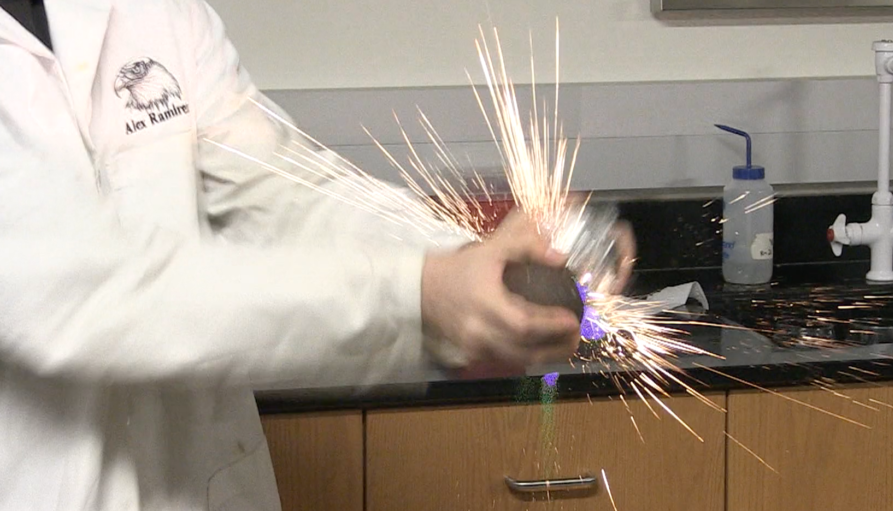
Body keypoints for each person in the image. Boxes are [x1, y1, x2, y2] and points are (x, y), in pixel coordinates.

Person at [0, 0, 636, 510]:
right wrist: (419, 292)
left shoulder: (156, 13)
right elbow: (99, 296)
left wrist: (479, 264)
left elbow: (284, 188)